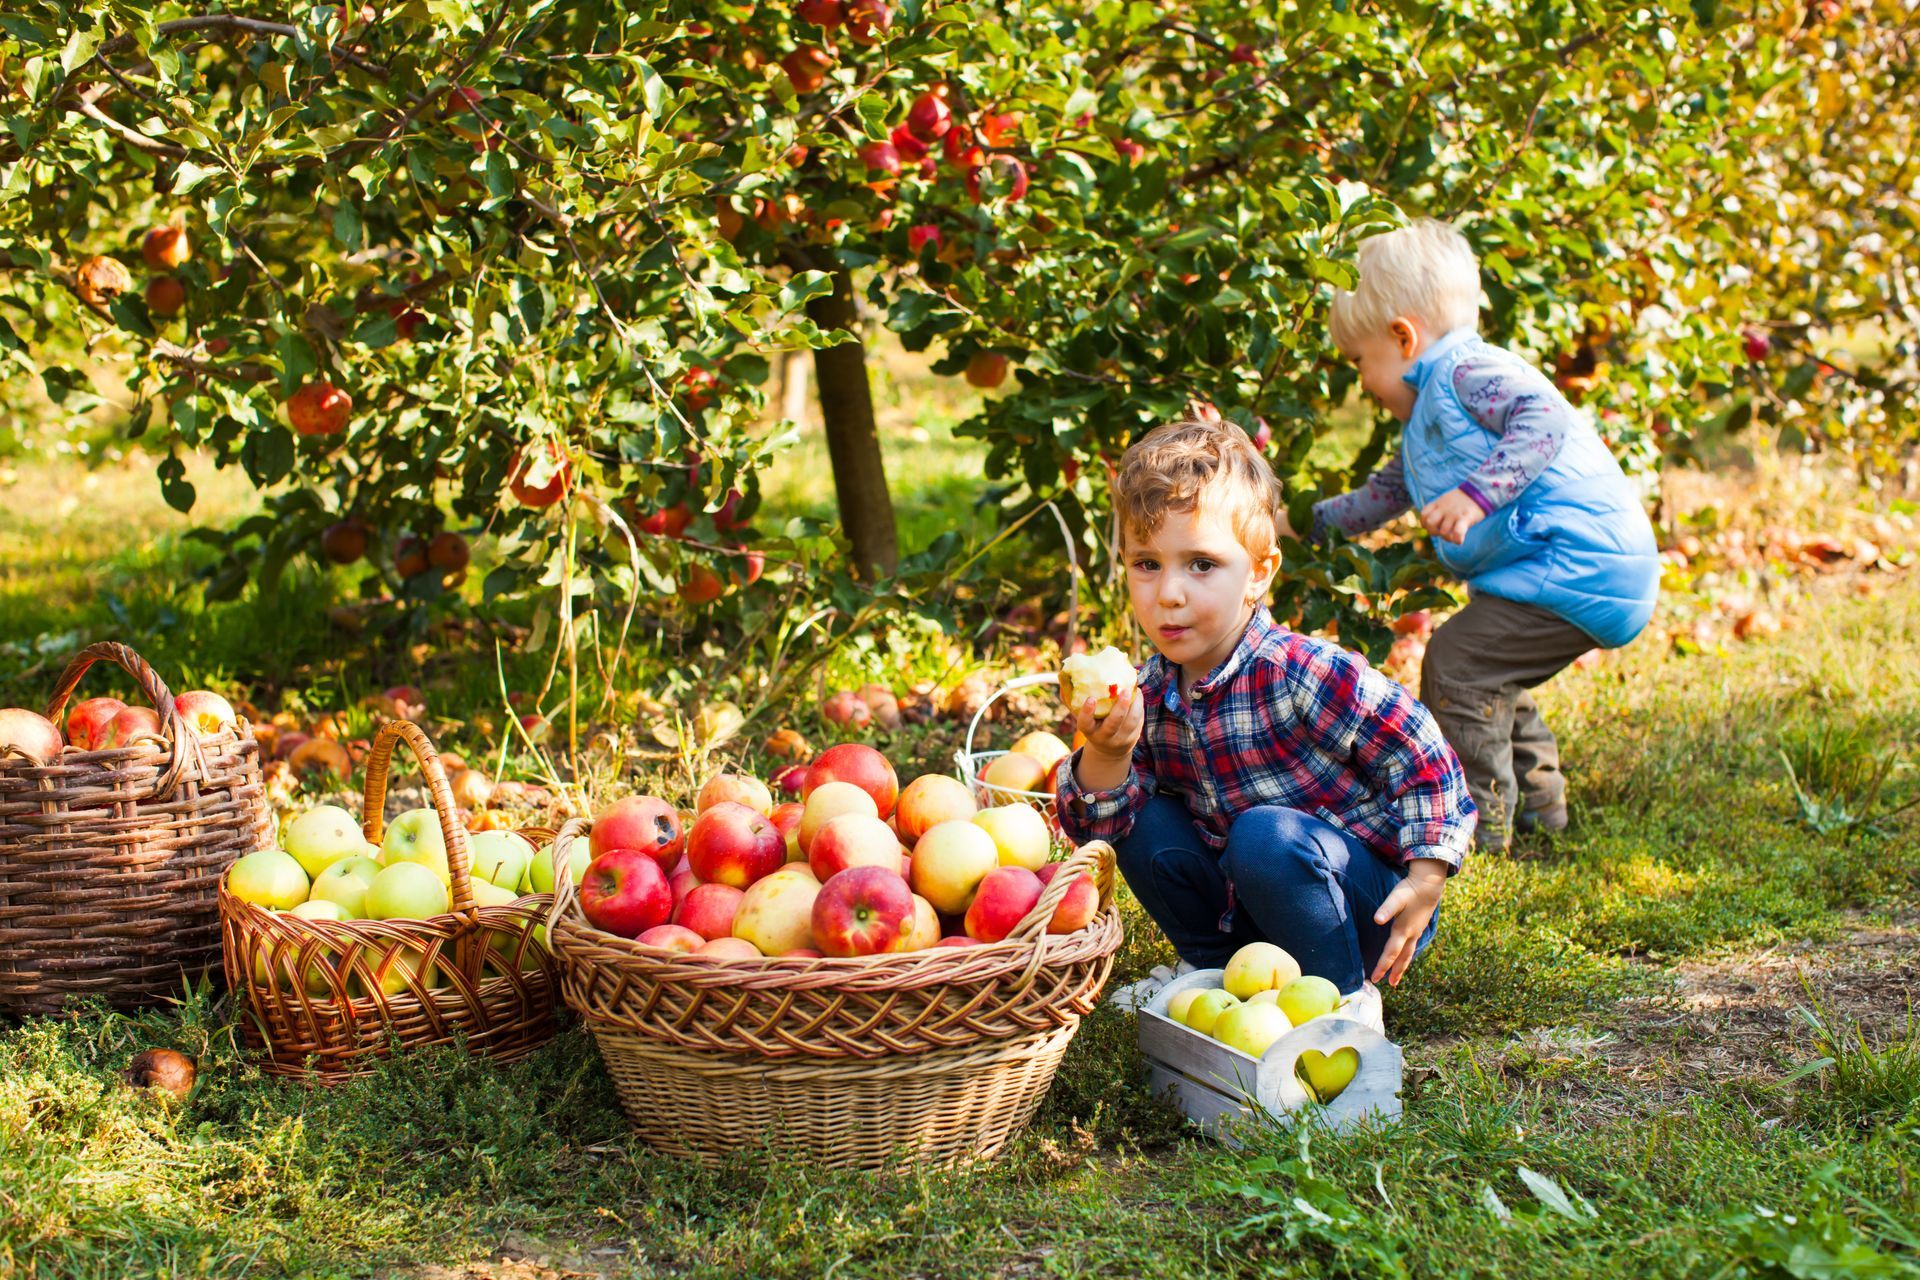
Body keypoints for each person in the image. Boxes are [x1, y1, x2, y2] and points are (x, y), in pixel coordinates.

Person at [1055, 411, 1478, 1020]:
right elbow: (1096, 832)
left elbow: (1421, 753)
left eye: (1201, 564)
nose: (1168, 592)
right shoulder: (1145, 696)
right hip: (1248, 907)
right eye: (1147, 564)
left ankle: (1341, 1002)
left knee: (1263, 837)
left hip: (1361, 904)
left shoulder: (1300, 671)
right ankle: (1214, 973)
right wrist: (1107, 755)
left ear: (1258, 573)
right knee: (1141, 821)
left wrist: (1427, 873)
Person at [1307, 218, 1659, 850]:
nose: (1360, 380)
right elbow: (1377, 500)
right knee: (1487, 673)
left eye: (1360, 361)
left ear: (1403, 336)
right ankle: (1541, 810)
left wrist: (1474, 497)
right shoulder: (1427, 424)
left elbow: (1543, 418)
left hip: (1576, 562)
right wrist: (1294, 523)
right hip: (1569, 567)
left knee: (1458, 663)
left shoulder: (1468, 374)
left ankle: (1478, 831)